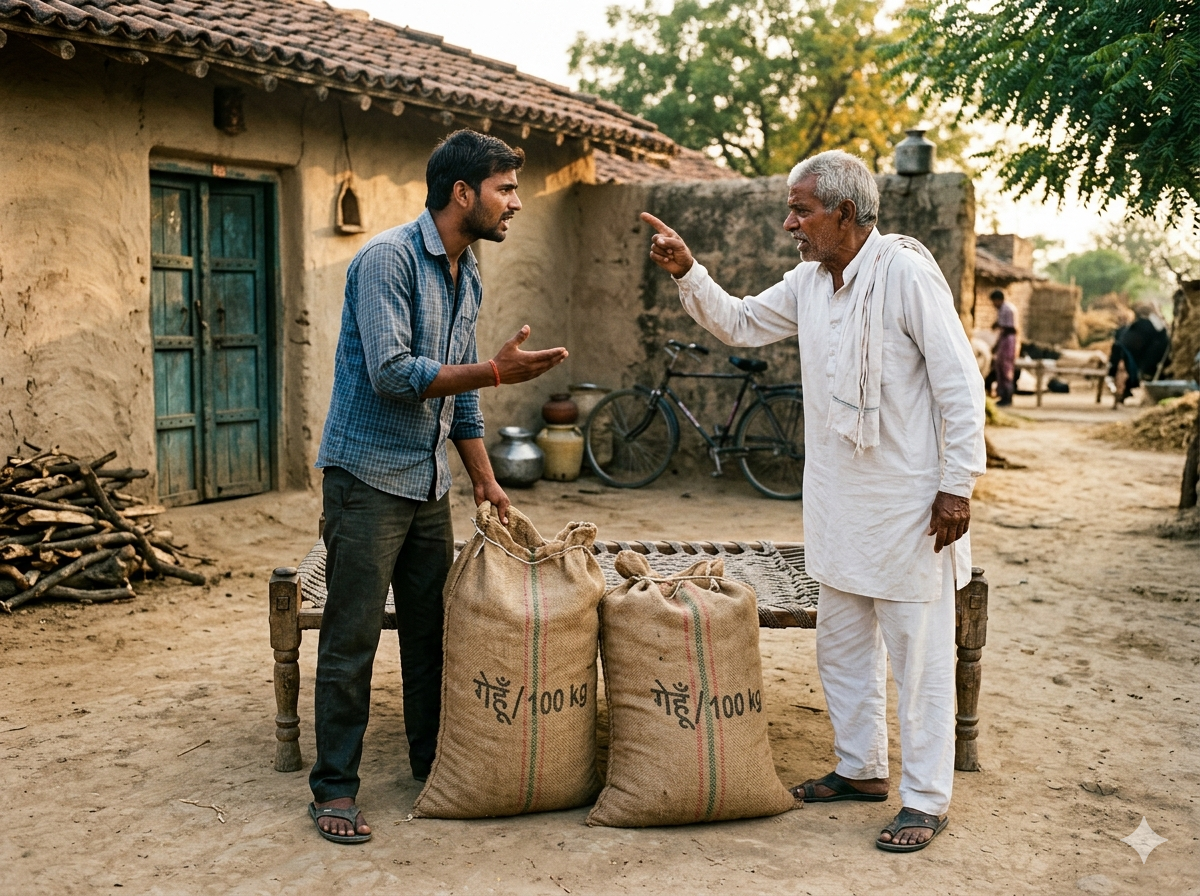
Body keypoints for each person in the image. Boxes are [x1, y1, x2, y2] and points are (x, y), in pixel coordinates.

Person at [641, 149, 985, 852]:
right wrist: (688, 271)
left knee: (917, 659)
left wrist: (957, 485)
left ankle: (925, 800)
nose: (789, 224)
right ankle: (860, 770)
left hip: (908, 507)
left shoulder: (906, 275)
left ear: (845, 213)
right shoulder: (808, 282)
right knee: (842, 647)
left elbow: (959, 384)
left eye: (801, 210)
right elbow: (738, 321)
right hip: (836, 502)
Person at [308, 130, 568, 844]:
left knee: (432, 637)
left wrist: (486, 481)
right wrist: (494, 370)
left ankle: (430, 768)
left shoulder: (469, 272)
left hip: (428, 486)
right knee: (351, 639)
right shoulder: (386, 261)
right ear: (463, 193)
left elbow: (461, 399)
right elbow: (394, 375)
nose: (515, 202)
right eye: (505, 189)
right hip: (364, 481)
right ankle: (334, 790)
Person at [1107, 303, 1170, 403]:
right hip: (1132, 352)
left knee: (1122, 369)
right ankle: (1123, 391)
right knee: (1123, 369)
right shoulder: (1150, 324)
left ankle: (1123, 391)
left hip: (1131, 351)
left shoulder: (1142, 325)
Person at [988, 288, 1018, 406]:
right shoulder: (1001, 310)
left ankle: (1007, 396)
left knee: (1006, 369)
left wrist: (998, 325)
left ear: (998, 300)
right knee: (999, 367)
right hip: (1004, 339)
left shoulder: (1008, 309)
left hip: (1008, 341)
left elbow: (1010, 328)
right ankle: (1002, 394)